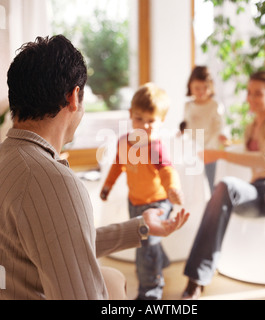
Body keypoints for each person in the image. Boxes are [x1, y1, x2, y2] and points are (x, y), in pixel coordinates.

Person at [0, 35, 189, 300]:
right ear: (74, 97)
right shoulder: (53, 182)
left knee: (112, 277)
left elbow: (60, 240)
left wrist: (139, 227)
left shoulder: (8, 159)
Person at [181, 70, 265, 300]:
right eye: (249, 93)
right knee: (225, 185)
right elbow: (251, 161)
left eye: (258, 93)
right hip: (258, 190)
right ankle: (196, 279)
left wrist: (219, 154)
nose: (251, 98)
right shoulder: (250, 126)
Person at [100, 83, 183, 300]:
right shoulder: (124, 144)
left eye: (151, 120)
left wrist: (172, 189)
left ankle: (150, 291)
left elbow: (167, 171)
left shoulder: (156, 148)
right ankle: (160, 261)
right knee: (145, 242)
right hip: (135, 201)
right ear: (130, 115)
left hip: (158, 203)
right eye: (139, 119)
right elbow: (118, 165)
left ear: (162, 121)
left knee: (145, 246)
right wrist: (108, 185)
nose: (144, 125)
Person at [179, 66, 228, 193]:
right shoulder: (188, 106)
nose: (201, 91)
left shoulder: (215, 106)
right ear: (190, 86)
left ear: (211, 87)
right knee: (193, 185)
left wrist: (212, 146)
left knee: (212, 183)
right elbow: (187, 125)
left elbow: (219, 128)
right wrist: (182, 132)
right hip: (193, 152)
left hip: (210, 151)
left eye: (205, 88)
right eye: (197, 88)